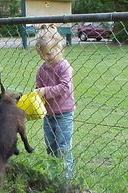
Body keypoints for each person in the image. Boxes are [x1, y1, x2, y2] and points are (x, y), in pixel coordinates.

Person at [34, 24, 75, 179]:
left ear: (59, 47)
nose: (46, 58)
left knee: (63, 147)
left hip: (64, 113)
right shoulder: (41, 69)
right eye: (42, 55)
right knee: (50, 147)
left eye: (49, 54)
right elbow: (38, 87)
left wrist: (44, 91)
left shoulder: (64, 66)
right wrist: (36, 96)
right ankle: (53, 177)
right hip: (48, 114)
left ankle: (66, 180)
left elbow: (65, 87)